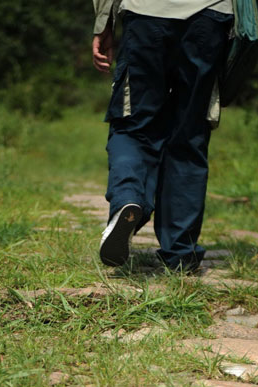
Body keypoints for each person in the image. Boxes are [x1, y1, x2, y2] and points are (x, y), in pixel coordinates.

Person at [92, 1, 235, 272]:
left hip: (147, 13)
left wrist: (104, 23)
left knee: (133, 126)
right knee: (189, 135)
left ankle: (128, 199)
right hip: (210, 16)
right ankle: (180, 253)